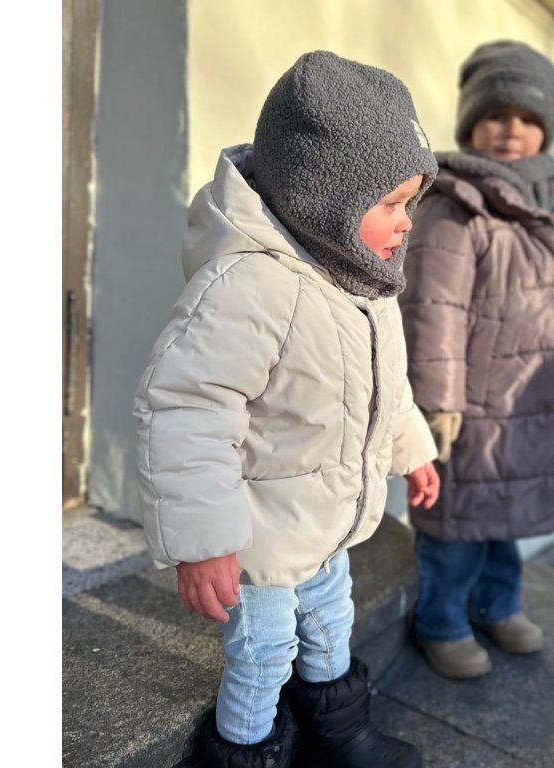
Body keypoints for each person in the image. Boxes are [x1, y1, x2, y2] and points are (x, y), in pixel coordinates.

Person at [134, 50, 440, 768]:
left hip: (324, 524)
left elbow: (387, 389)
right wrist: (204, 540)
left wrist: (415, 449)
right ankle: (246, 753)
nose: (406, 224)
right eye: (390, 204)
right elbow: (187, 411)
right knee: (264, 651)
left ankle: (339, 735)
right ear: (325, 198)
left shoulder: (366, 286)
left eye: (410, 204)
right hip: (259, 537)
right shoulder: (251, 287)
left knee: (331, 625)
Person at [400, 40, 554, 680]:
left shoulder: (540, 203)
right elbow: (433, 308)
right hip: (472, 405)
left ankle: (498, 605)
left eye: (527, 118)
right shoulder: (456, 203)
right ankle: (442, 621)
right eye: (496, 115)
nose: (512, 129)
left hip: (526, 403)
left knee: (506, 519)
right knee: (456, 525)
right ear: (470, 124)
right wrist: (437, 402)